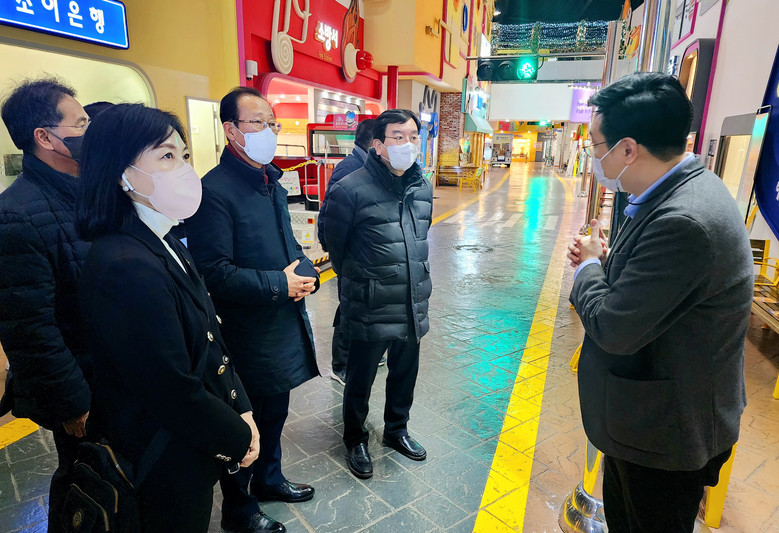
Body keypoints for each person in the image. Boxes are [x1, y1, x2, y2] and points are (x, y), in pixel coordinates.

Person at [566, 72, 753, 533]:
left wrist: (588, 267)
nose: (593, 156)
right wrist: (607, 260)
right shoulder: (671, 192)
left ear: (628, 149)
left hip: (665, 432)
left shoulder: (684, 220)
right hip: (646, 417)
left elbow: (612, 327)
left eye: (595, 145)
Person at [75, 103, 259, 533]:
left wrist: (242, 408)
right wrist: (237, 436)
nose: (184, 169)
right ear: (121, 174)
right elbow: (170, 385)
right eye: (166, 156)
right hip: (160, 454)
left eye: (184, 155)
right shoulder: (125, 264)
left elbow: (209, 338)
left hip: (188, 442)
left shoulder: (164, 238)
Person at [186, 87, 318, 533]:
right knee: (244, 422)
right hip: (243, 331)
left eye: (272, 123)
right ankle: (239, 510)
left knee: (275, 410)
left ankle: (269, 478)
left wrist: (307, 273)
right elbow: (213, 272)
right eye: (258, 123)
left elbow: (288, 245)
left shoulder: (270, 183)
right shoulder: (214, 192)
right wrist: (280, 284)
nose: (270, 132)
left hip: (279, 319)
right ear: (231, 130)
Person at [320, 109, 433, 479]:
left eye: (413, 136)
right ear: (379, 145)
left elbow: (419, 237)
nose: (408, 144)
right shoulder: (349, 188)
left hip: (412, 300)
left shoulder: (422, 187)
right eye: (398, 137)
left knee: (405, 372)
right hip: (370, 302)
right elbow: (334, 245)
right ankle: (355, 438)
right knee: (360, 378)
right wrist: (362, 281)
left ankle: (397, 430)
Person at [0, 78, 91, 532]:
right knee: (86, 482)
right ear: (45, 137)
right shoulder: (16, 214)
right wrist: (71, 402)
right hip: (82, 386)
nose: (90, 131)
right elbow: (29, 327)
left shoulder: (89, 194)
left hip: (115, 372)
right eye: (81, 123)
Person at [316, 118, 384, 385]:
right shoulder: (350, 168)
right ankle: (340, 364)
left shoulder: (371, 167)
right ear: (374, 142)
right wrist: (338, 255)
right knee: (348, 308)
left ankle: (364, 351)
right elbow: (330, 215)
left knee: (367, 304)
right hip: (351, 256)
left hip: (368, 254)